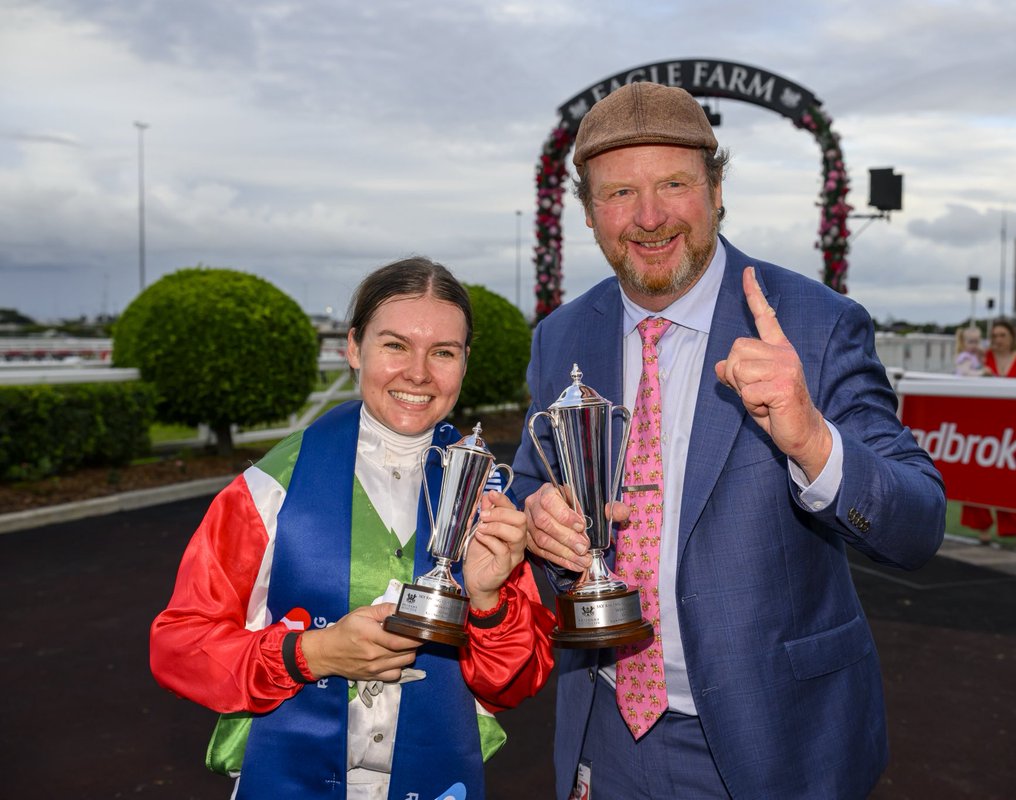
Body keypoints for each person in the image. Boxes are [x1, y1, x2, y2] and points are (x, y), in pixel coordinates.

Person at [513, 82, 946, 799]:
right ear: (590, 215)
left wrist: (812, 439)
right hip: (608, 735)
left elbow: (917, 526)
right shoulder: (561, 336)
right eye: (619, 194)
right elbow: (530, 480)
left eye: (674, 185)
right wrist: (537, 518)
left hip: (778, 744)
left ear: (717, 191)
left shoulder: (816, 322)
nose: (649, 218)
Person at [150, 257, 556, 799]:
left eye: (442, 352)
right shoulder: (268, 488)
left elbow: (515, 681)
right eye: (394, 345)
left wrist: (486, 602)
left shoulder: (485, 496)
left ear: (464, 363)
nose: (418, 373)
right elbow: (179, 646)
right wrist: (310, 654)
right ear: (353, 349)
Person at [961, 318, 1016, 547]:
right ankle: (982, 528)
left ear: (1012, 337)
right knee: (980, 476)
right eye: (994, 336)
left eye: (1002, 335)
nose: (998, 340)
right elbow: (964, 370)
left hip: (1013, 426)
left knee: (1012, 480)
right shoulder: (983, 357)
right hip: (985, 422)